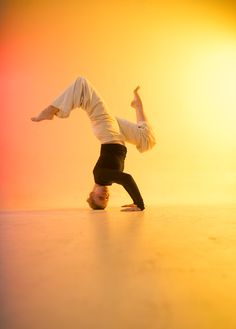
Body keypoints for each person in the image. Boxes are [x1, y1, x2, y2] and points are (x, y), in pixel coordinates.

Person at [31, 76, 156, 211]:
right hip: (116, 133)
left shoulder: (100, 176)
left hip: (107, 131)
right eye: (106, 199)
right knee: (146, 140)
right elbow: (125, 179)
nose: (105, 195)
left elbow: (127, 179)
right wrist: (135, 202)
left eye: (100, 197)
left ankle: (51, 110)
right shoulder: (108, 179)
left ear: (92, 193)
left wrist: (139, 204)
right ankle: (137, 106)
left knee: (82, 85)